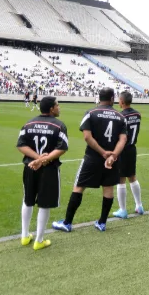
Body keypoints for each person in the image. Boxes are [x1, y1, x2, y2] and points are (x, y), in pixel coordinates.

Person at [52, 88, 128, 233]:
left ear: (99, 98)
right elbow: (123, 139)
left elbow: (87, 137)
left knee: (79, 187)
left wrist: (102, 152)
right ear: (112, 99)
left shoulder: (90, 113)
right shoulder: (120, 116)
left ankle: (67, 223)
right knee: (108, 188)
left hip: (92, 157)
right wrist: (112, 155)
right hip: (112, 160)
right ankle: (102, 223)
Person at [16, 96, 68, 250]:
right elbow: (62, 148)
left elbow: (20, 145)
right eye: (57, 105)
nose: (59, 107)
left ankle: (25, 236)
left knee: (28, 200)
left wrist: (36, 159)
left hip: (30, 167)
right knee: (45, 204)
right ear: (52, 108)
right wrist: (42, 159)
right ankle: (39, 240)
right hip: (49, 169)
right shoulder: (59, 125)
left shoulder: (29, 123)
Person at [113, 91, 144, 219]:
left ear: (122, 101)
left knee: (120, 179)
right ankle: (139, 205)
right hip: (132, 148)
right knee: (132, 177)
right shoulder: (137, 114)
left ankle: (123, 210)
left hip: (122, 149)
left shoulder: (120, 116)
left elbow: (118, 135)